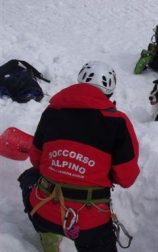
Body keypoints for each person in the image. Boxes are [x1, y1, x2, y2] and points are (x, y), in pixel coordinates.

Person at [18, 61, 140, 252]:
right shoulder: (118, 122)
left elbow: (37, 160)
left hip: (43, 210)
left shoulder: (52, 111)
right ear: (110, 92)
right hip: (90, 222)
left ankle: (48, 235)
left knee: (29, 177)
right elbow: (127, 178)